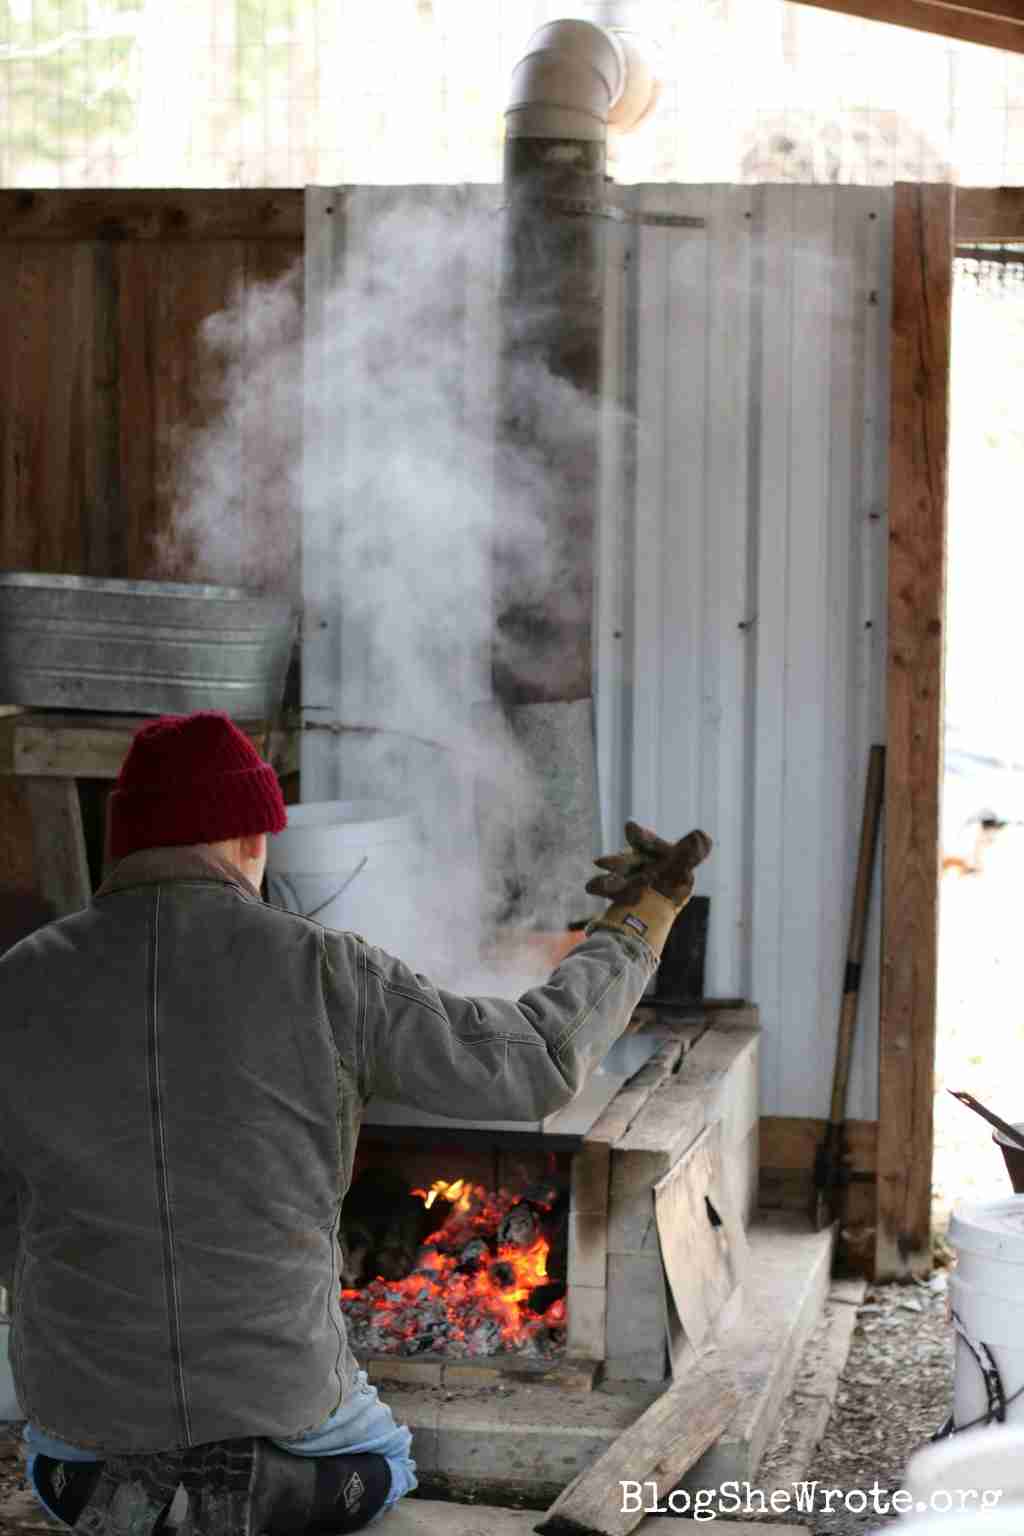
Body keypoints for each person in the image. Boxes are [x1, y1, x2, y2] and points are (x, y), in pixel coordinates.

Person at [0, 711, 710, 1536]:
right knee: (387, 1459)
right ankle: (259, 1486)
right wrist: (639, 921)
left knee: (58, 1452)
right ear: (249, 840)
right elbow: (534, 1062)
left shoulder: (18, 981)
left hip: (84, 1429)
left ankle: (124, 1482)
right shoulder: (322, 966)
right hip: (279, 1401)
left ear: (123, 847)